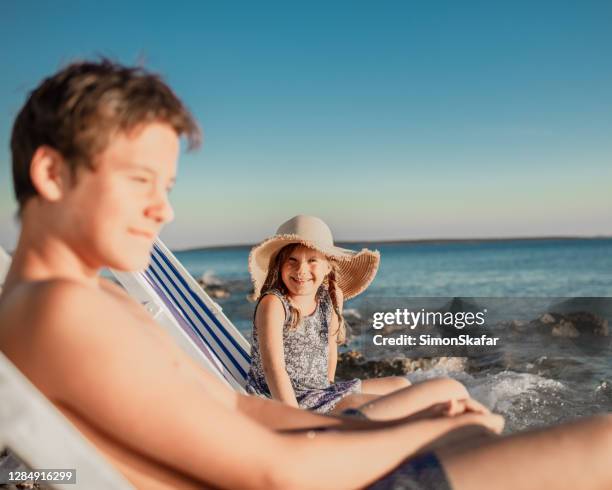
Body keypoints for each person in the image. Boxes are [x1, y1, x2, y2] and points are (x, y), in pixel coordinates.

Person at [0, 59, 611, 490]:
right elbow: (274, 472)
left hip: (292, 462)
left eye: (167, 187)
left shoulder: (83, 305)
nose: (166, 212)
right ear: (52, 173)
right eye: (141, 181)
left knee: (468, 432)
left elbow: (247, 413)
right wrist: (412, 436)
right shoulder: (60, 311)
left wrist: (424, 427)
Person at [246, 214, 471, 418]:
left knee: (401, 384)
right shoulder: (275, 303)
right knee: (385, 406)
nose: (301, 270)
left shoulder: (330, 298)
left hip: (319, 390)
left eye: (312, 260)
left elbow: (330, 349)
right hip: (285, 398)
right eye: (291, 260)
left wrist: (330, 386)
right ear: (279, 265)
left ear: (328, 267)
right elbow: (273, 368)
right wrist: (294, 418)